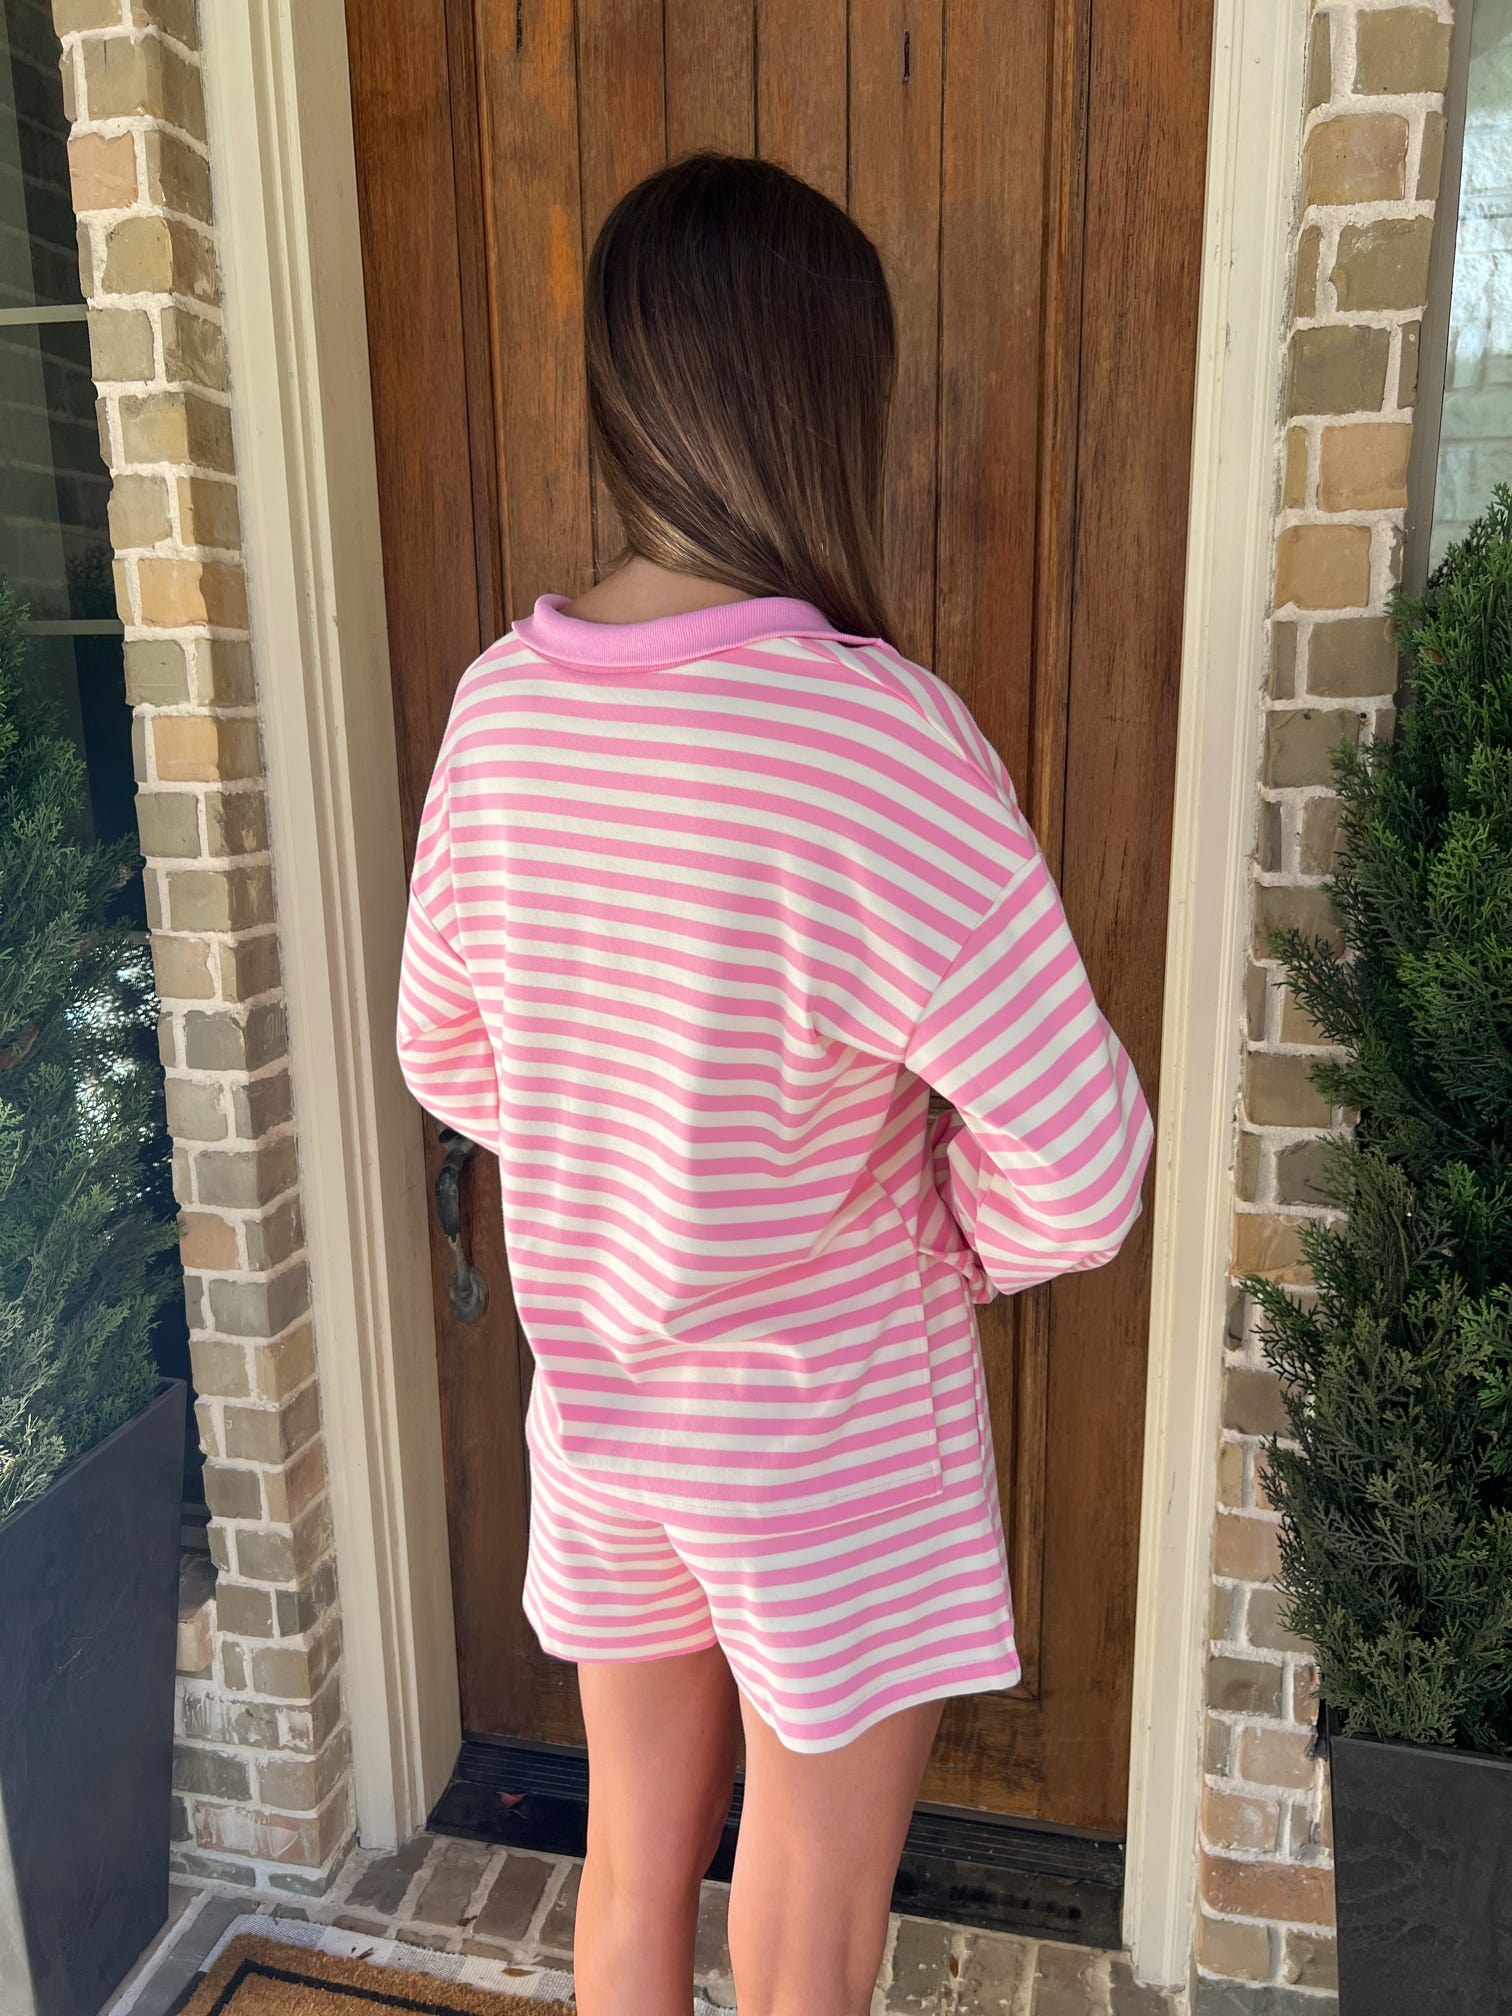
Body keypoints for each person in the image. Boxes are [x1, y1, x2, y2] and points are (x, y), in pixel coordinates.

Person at [396, 150, 1153, 2016]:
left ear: (626, 393)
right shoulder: (878, 742)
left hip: (604, 1421)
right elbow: (1085, 1158)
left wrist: (626, 1139)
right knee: (805, 1938)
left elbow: (446, 1047)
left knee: (634, 1879)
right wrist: (934, 1248)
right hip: (829, 1448)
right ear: (835, 404)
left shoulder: (502, 711)